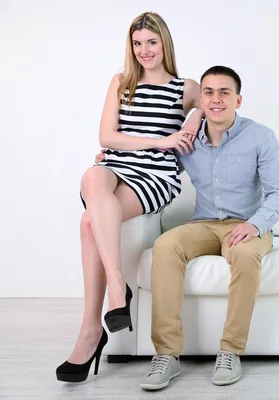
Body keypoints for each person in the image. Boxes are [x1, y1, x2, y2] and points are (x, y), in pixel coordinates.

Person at [56, 11, 204, 383]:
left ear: (164, 43)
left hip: (154, 176)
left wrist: (194, 118)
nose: (144, 51)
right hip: (115, 166)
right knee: (93, 175)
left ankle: (91, 333)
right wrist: (160, 140)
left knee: (90, 220)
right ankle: (118, 290)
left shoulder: (185, 87)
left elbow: (221, 102)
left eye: (151, 42)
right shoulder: (122, 82)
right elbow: (106, 137)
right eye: (137, 44)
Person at [138, 65, 279, 391]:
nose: (216, 99)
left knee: (246, 256)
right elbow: (153, 164)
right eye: (209, 92)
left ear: (238, 99)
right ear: (200, 99)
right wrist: (112, 158)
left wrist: (255, 224)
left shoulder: (260, 136)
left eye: (224, 92)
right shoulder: (188, 139)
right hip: (203, 224)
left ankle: (231, 350)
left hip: (246, 225)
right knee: (165, 245)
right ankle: (166, 355)